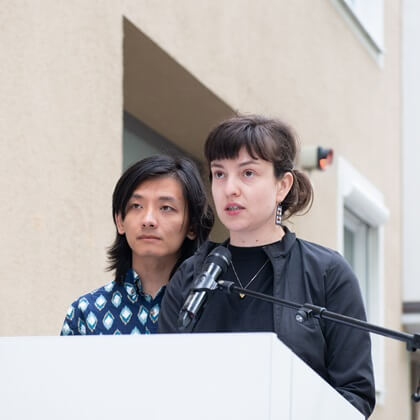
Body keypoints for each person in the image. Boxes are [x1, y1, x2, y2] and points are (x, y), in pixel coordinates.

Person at [158, 115, 376, 417]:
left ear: (282, 185)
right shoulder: (190, 275)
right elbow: (165, 383)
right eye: (219, 174)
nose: (229, 188)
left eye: (247, 173)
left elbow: (355, 394)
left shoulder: (327, 273)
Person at [61, 154, 214, 335]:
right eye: (136, 206)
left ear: (192, 226)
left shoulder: (213, 306)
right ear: (120, 221)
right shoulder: (86, 312)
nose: (148, 220)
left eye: (166, 208)